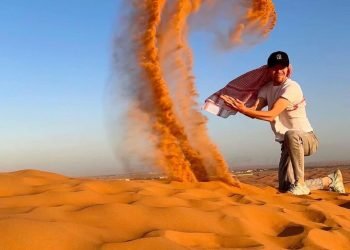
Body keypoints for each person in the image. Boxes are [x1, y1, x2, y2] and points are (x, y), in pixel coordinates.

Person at [220, 51, 346, 195]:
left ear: (288, 68)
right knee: (286, 187)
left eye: (282, 67)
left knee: (291, 135)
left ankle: (300, 184)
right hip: (287, 144)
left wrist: (245, 111)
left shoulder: (291, 87)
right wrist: (241, 108)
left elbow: (271, 114)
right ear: (269, 70)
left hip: (306, 139)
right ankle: (331, 180)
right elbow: (255, 111)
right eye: (275, 67)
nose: (279, 71)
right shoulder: (266, 89)